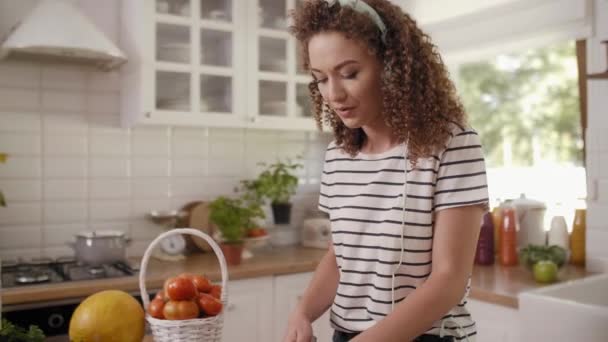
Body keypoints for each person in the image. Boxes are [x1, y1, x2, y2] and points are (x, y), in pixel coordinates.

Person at [284, 0, 489, 341]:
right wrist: (302, 312)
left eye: (350, 74)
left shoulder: (452, 144)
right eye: (321, 79)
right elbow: (340, 258)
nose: (334, 94)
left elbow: (449, 280)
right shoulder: (338, 156)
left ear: (390, 66)